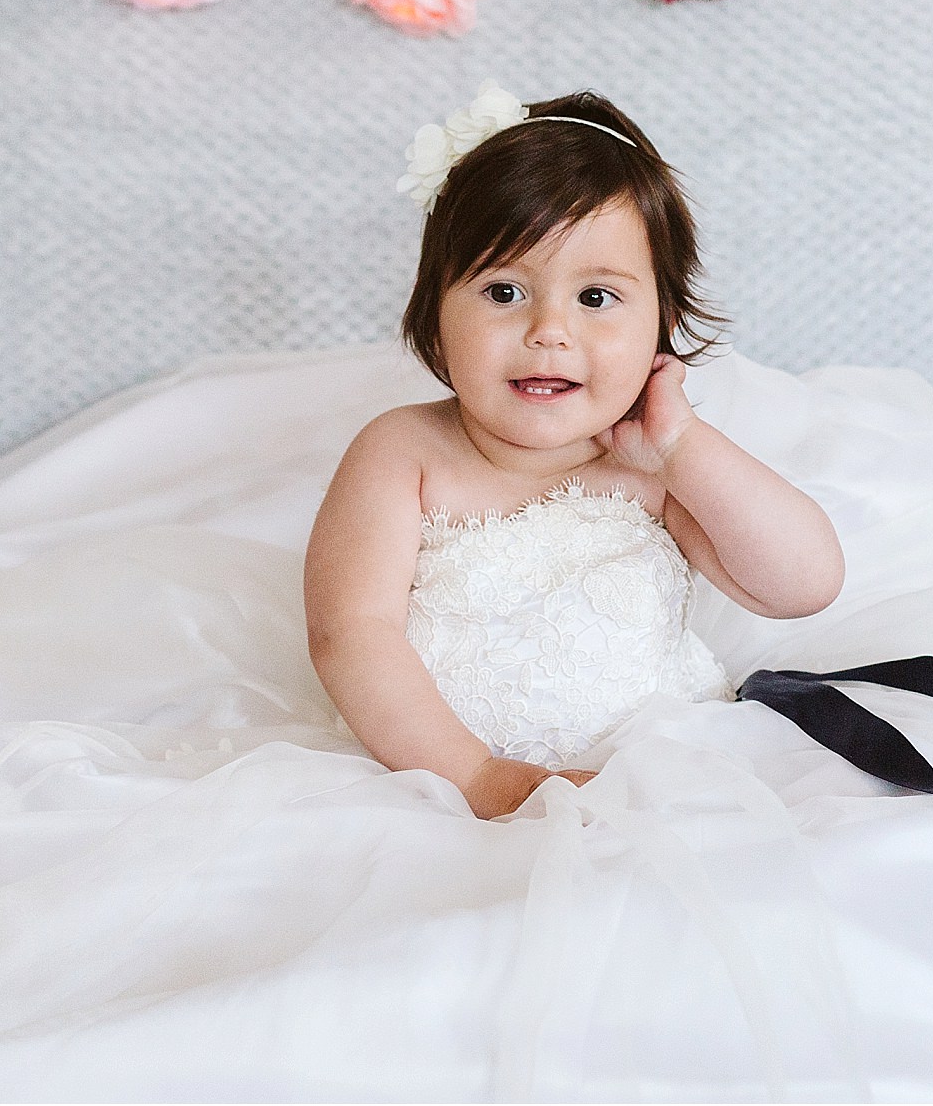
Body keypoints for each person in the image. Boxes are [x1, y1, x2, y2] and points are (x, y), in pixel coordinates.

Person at [304, 82, 845, 821]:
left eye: (595, 298)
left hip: (656, 782)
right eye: (503, 292)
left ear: (662, 321)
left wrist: (683, 445)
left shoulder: (651, 468)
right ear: (434, 311)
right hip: (437, 782)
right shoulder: (402, 454)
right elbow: (350, 633)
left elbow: (803, 583)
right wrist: (479, 778)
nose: (549, 330)